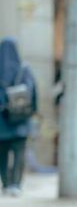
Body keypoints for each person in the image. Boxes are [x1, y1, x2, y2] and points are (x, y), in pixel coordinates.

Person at [0, 38, 38, 197]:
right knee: (19, 153)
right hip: (20, 120)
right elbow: (33, 93)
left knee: (2, 154)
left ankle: (6, 183)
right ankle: (16, 184)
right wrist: (33, 110)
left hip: (1, 121)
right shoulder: (24, 69)